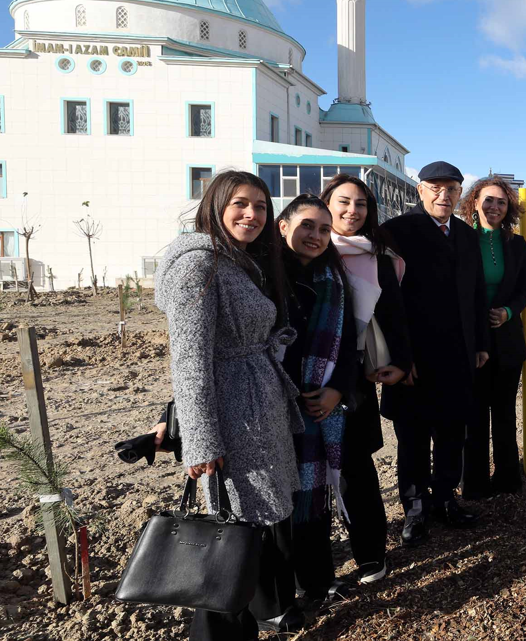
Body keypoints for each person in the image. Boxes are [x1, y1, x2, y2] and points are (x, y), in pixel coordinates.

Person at [155, 170, 304, 639]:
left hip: (257, 407)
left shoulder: (236, 260)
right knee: (229, 537)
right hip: (232, 417)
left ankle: (258, 615)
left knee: (250, 531)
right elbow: (189, 358)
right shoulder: (197, 265)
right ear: (214, 205)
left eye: (261, 206)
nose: (252, 214)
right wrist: (200, 441)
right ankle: (216, 632)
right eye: (240, 203)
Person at [380, 160, 489, 543]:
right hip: (413, 357)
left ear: (461, 193)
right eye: (435, 187)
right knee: (412, 438)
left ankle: (445, 500)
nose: (444, 194)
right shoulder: (396, 231)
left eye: (452, 188)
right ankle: (415, 509)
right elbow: (386, 301)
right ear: (419, 190)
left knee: (451, 434)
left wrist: (480, 345)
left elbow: (477, 292)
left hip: (458, 353)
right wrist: (398, 357)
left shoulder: (465, 233)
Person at [321, 174, 413, 585]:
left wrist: (403, 362)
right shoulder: (302, 250)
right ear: (325, 203)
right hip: (300, 377)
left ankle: (371, 555)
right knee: (305, 473)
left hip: (354, 378)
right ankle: (315, 567)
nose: (352, 211)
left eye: (361, 205)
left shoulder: (378, 256)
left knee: (356, 468)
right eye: (343, 202)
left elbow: (395, 315)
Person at [274, 195, 360, 606]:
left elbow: (348, 348)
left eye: (324, 229)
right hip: (270, 407)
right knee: (279, 505)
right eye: (308, 225)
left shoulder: (334, 282)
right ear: (283, 226)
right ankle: (281, 594)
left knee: (314, 500)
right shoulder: (261, 277)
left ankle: (319, 581)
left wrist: (336, 391)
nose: (316, 235)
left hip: (317, 409)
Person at [457, 175, 526, 497]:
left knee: (504, 413)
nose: (494, 206)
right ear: (474, 203)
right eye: (488, 200)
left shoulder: (515, 244)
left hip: (506, 341)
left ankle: (507, 479)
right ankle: (474, 485)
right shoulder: (461, 239)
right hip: (471, 340)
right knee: (473, 415)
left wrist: (508, 311)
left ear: (509, 209)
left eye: (501, 202)